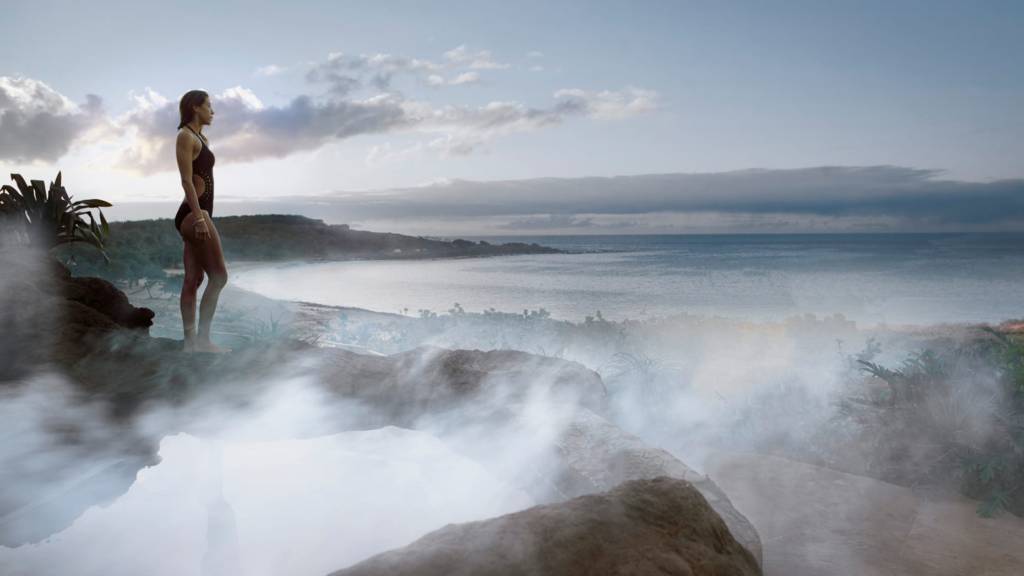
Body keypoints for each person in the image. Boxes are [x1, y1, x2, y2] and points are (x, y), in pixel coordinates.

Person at [174, 90, 230, 354]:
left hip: (196, 215)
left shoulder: (201, 138)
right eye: (209, 106)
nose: (213, 111)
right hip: (195, 215)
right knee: (219, 278)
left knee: (193, 279)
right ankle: (203, 342)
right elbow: (186, 181)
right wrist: (199, 218)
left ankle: (189, 345)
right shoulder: (185, 136)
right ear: (195, 107)